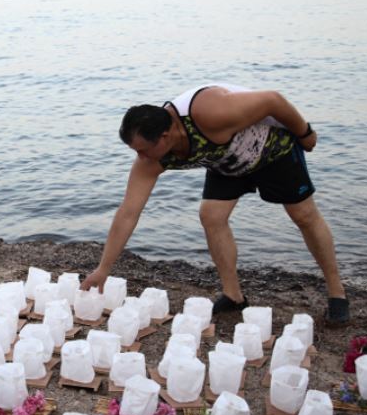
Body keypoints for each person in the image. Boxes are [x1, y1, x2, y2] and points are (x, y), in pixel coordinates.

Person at [80, 82, 349, 327]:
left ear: (166, 136)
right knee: (211, 215)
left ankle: (337, 294)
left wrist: (305, 133)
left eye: (142, 150)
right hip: (226, 163)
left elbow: (273, 100)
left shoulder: (209, 112)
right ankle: (234, 295)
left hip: (273, 150)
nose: (140, 157)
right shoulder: (151, 159)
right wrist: (103, 269)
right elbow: (128, 212)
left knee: (303, 215)